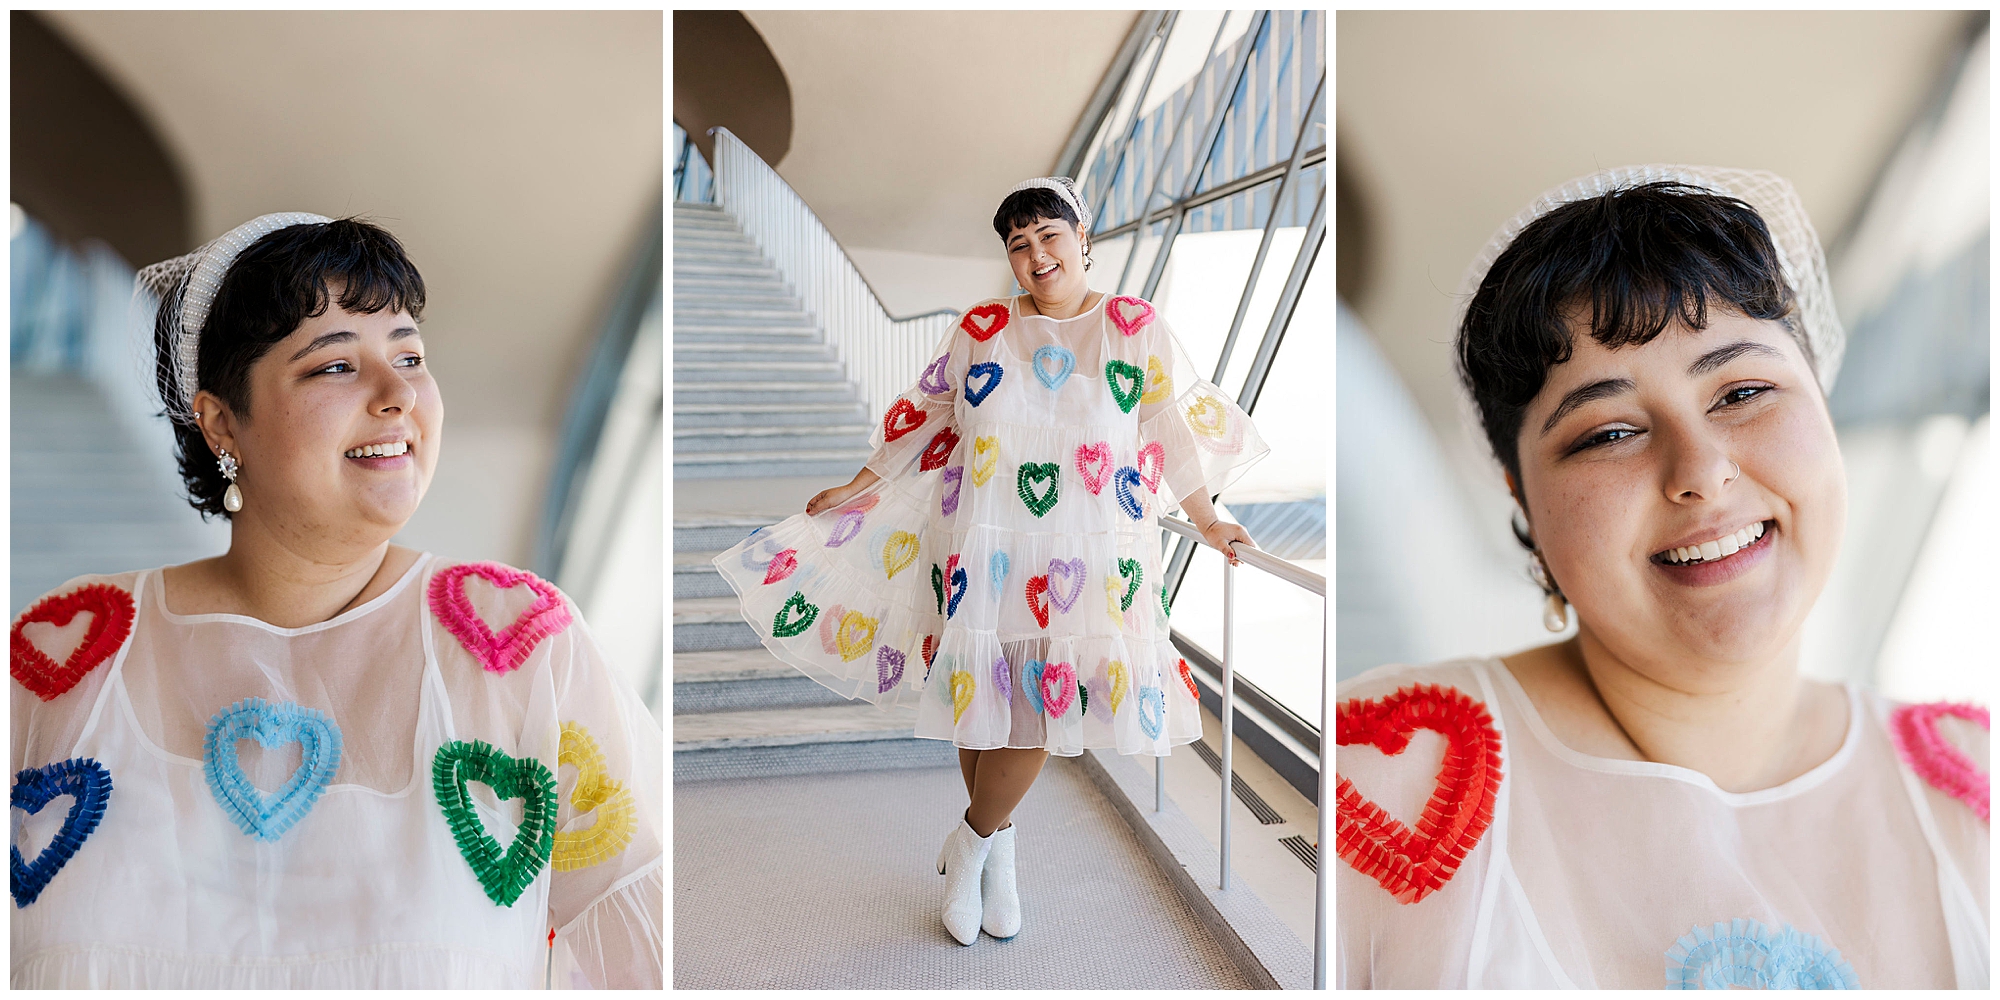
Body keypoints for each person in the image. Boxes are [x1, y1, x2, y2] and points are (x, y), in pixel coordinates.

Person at [1334, 166, 1988, 989]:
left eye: (1745, 391)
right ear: (1522, 504)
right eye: (1608, 433)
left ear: (1824, 405)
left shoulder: (1976, 794)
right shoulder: (1376, 782)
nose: (1703, 472)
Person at [8, 214, 663, 988]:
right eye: (335, 367)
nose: (397, 396)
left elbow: (638, 947)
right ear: (221, 422)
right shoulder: (61, 658)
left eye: (411, 356)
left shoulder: (519, 647)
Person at [712, 177, 1267, 945]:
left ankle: (971, 844)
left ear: (1083, 237)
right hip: (981, 541)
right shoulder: (981, 328)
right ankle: (997, 853)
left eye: (1049, 235)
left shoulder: (1135, 327)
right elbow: (932, 413)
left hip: (1086, 557)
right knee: (985, 693)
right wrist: (859, 484)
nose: (1036, 254)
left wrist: (1209, 520)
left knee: (1033, 709)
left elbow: (1170, 428)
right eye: (1018, 244)